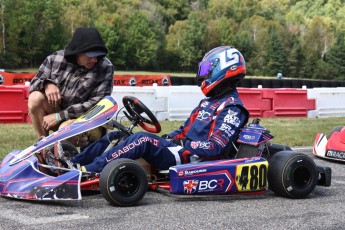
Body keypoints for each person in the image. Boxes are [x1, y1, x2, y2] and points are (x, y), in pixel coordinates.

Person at [71, 46, 249, 173]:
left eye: (207, 70)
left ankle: (87, 171)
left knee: (142, 140)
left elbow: (214, 147)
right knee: (118, 136)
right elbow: (183, 131)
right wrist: (168, 139)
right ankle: (73, 163)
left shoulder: (232, 108)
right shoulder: (208, 103)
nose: (203, 74)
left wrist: (183, 144)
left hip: (194, 160)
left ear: (221, 70)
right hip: (182, 151)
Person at [28, 27, 114, 146]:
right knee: (35, 98)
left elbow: (98, 104)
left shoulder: (105, 67)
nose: (95, 59)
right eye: (90, 55)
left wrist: (60, 116)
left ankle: (66, 157)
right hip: (58, 115)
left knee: (65, 130)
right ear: (78, 51)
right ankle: (44, 148)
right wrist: (47, 84)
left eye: (98, 55)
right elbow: (33, 84)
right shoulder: (54, 59)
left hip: (89, 121)